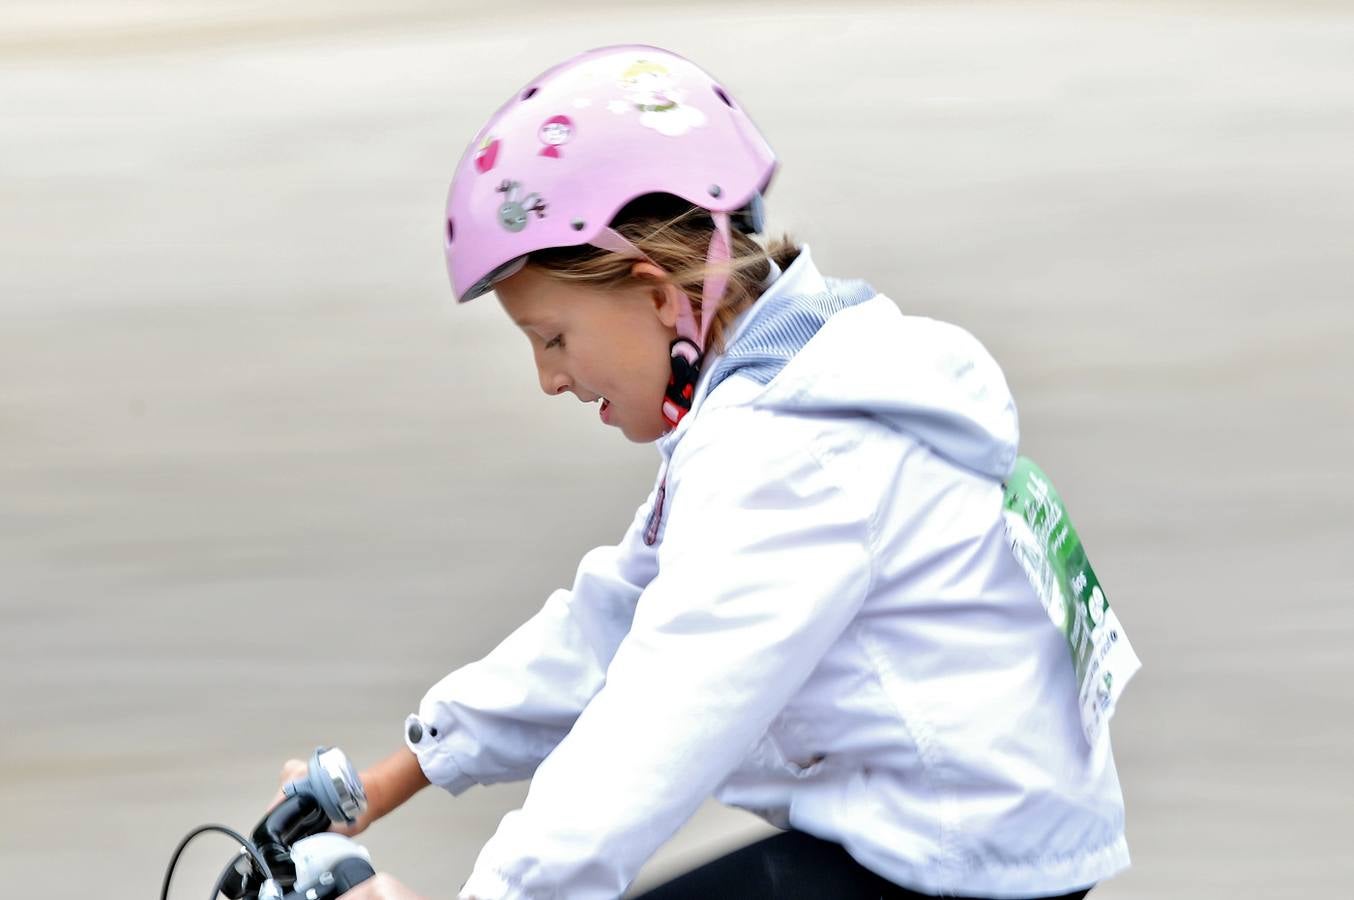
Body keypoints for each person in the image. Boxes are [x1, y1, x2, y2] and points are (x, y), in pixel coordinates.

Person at [277, 44, 1134, 900]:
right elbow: (610, 621)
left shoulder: (786, 457)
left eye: (552, 338)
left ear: (656, 296)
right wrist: (398, 774)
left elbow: (654, 730)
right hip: (966, 846)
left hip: (955, 871)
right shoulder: (791, 389)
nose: (550, 379)